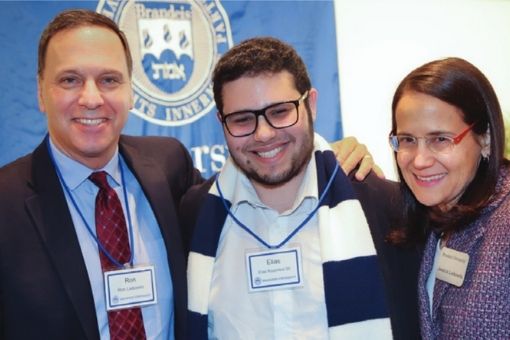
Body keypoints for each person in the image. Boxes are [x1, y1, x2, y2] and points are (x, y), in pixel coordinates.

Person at [0, 9, 377, 340]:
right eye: (69, 80)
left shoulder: (168, 166)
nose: (92, 98)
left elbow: (260, 175)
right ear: (40, 92)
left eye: (109, 80)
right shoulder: (7, 201)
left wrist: (331, 155)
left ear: (132, 90)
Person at [181, 37, 420, 339]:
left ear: (312, 105)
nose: (264, 134)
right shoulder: (195, 214)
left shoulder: (385, 207)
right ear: (222, 122)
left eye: (280, 112)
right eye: (242, 120)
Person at [387, 57, 510, 339]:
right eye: (407, 140)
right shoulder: (436, 219)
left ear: (486, 138)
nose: (419, 160)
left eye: (440, 139)